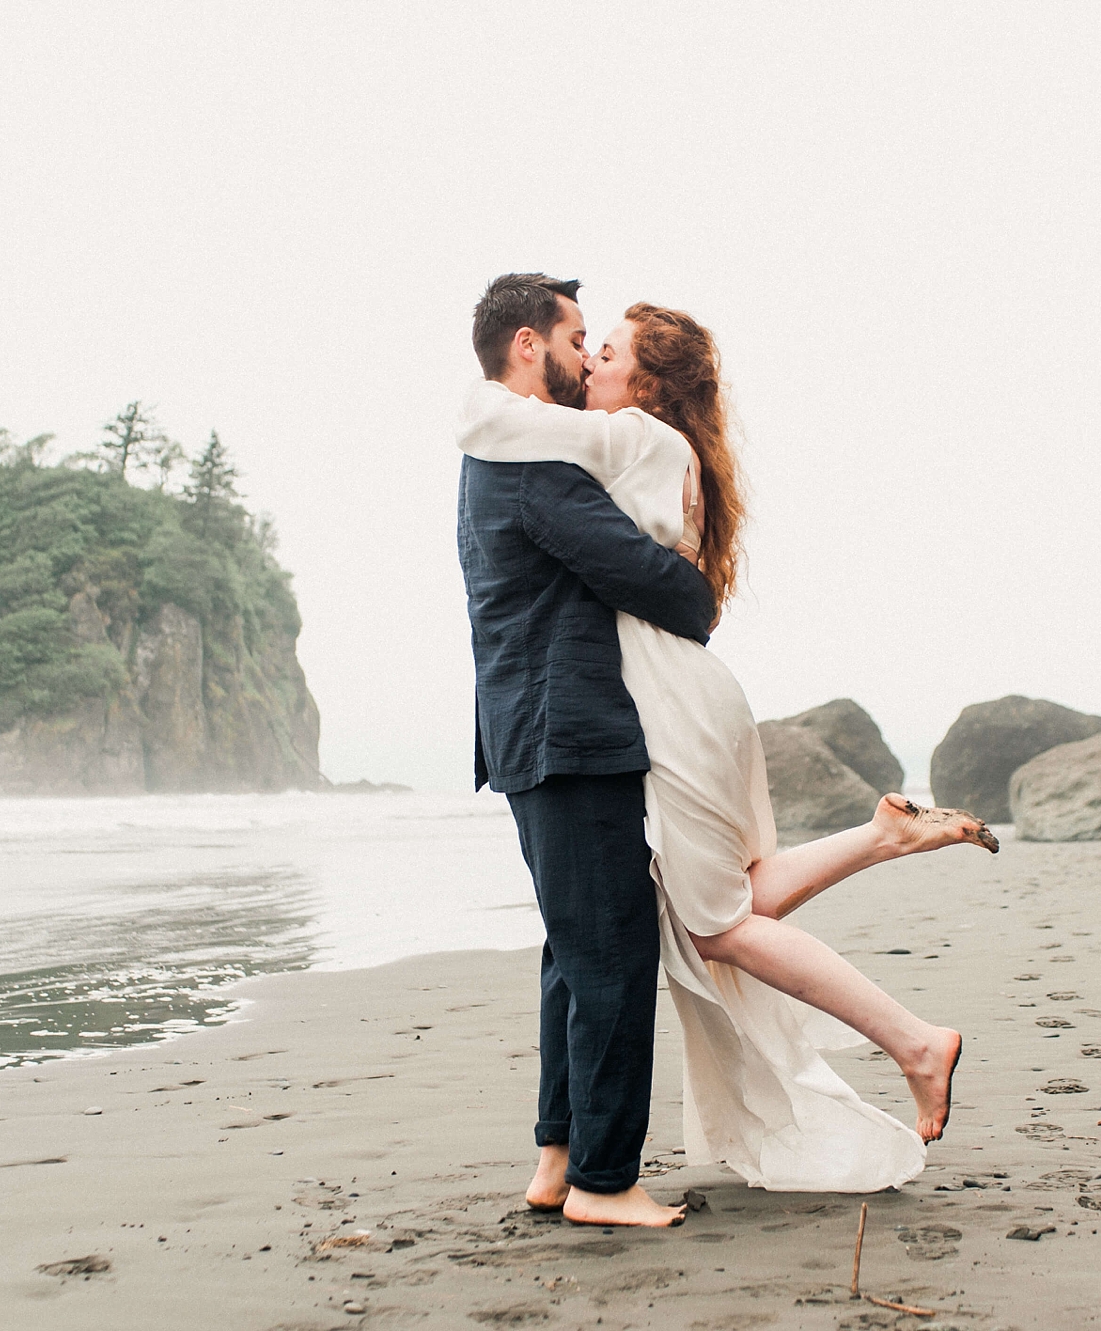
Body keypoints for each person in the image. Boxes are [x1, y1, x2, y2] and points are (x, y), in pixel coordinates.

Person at [457, 291, 997, 1204]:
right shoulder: (579, 450)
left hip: (664, 707)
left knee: (705, 924)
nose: (589, 360)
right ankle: (884, 852)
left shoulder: (627, 443)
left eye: (607, 349)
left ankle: (911, 1035)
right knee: (685, 920)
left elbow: (671, 589)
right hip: (640, 709)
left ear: (650, 385)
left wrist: (485, 400)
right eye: (581, 342)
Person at [457, 273, 714, 1228]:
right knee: (609, 950)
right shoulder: (537, 468)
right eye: (575, 339)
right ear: (528, 345)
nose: (584, 356)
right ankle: (608, 1181)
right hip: (567, 731)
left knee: (573, 950)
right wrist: (695, 588)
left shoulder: (499, 449)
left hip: (532, 729)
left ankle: (559, 1160)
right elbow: (660, 585)